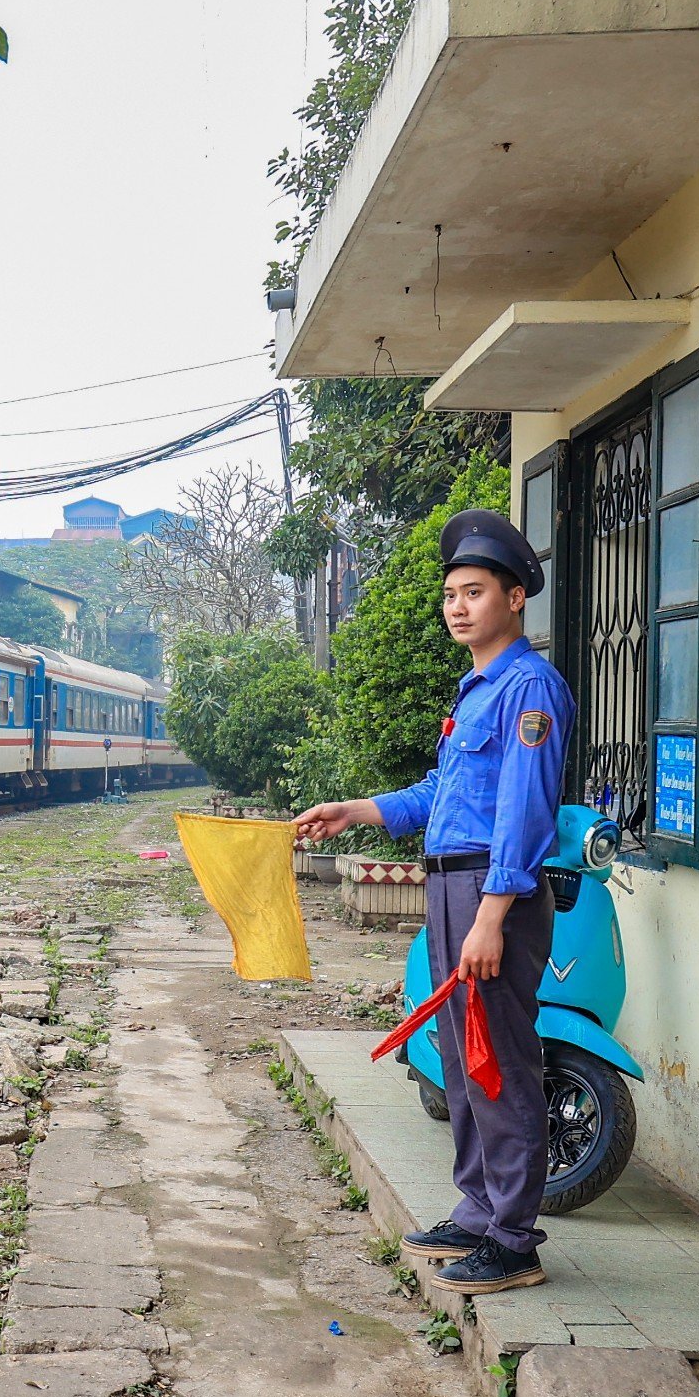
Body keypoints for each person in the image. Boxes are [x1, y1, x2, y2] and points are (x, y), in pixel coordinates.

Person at [293, 509, 574, 1294]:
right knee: (461, 1057)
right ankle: (480, 1211)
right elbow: (438, 796)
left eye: (475, 591)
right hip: (452, 884)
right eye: (451, 593)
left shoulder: (527, 689)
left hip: (494, 895)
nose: (458, 606)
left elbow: (522, 817)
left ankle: (513, 1242)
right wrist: (355, 811)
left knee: (499, 1062)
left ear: (515, 598)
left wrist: (490, 918)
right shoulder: (477, 690)